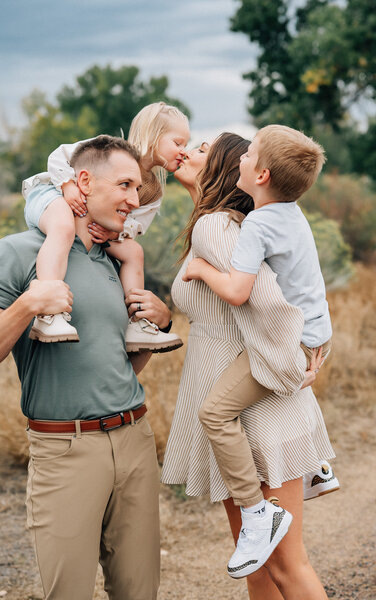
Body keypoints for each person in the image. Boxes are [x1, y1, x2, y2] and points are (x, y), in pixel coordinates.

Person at [0, 135, 172, 600]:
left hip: (135, 442)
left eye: (138, 187)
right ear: (84, 181)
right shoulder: (19, 253)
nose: (134, 198)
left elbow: (116, 365)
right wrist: (28, 304)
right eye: (125, 184)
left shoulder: (116, 259)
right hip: (65, 451)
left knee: (139, 593)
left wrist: (158, 321)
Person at [161, 133, 335, 599]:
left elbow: (269, 301)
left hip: (251, 411)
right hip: (242, 396)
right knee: (261, 570)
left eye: (200, 147)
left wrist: (296, 357)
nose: (187, 151)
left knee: (286, 567)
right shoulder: (226, 222)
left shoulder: (216, 227)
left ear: (221, 166)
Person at [22, 102, 189, 351]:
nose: (184, 151)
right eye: (178, 143)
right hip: (51, 193)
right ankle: (48, 312)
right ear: (154, 136)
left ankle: (137, 322)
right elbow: (58, 156)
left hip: (97, 223)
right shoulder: (109, 150)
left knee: (135, 252)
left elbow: (137, 226)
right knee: (63, 227)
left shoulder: (153, 189)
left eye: (186, 145)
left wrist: (117, 232)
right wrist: (68, 185)